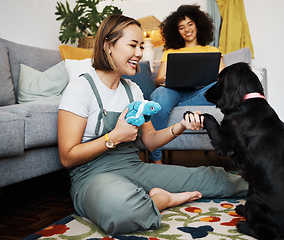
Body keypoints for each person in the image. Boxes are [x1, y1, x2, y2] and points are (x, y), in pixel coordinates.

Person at [57, 14, 248, 235]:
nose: (139, 53)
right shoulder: (81, 88)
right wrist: (114, 137)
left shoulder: (132, 90)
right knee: (124, 211)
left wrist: (181, 126)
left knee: (211, 179)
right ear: (109, 46)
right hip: (91, 175)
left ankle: (279, 185)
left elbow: (150, 141)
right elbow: (67, 157)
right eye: (132, 45)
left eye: (141, 46)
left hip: (134, 168)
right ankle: (161, 199)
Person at [149, 5, 225, 164]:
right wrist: (173, 79)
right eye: (181, 27)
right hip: (173, 91)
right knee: (158, 95)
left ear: (198, 24)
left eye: (190, 24)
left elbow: (223, 78)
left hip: (201, 93)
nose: (187, 29)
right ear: (176, 31)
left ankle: (176, 105)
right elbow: (158, 80)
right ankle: (156, 160)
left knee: (221, 87)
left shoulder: (212, 50)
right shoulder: (170, 52)